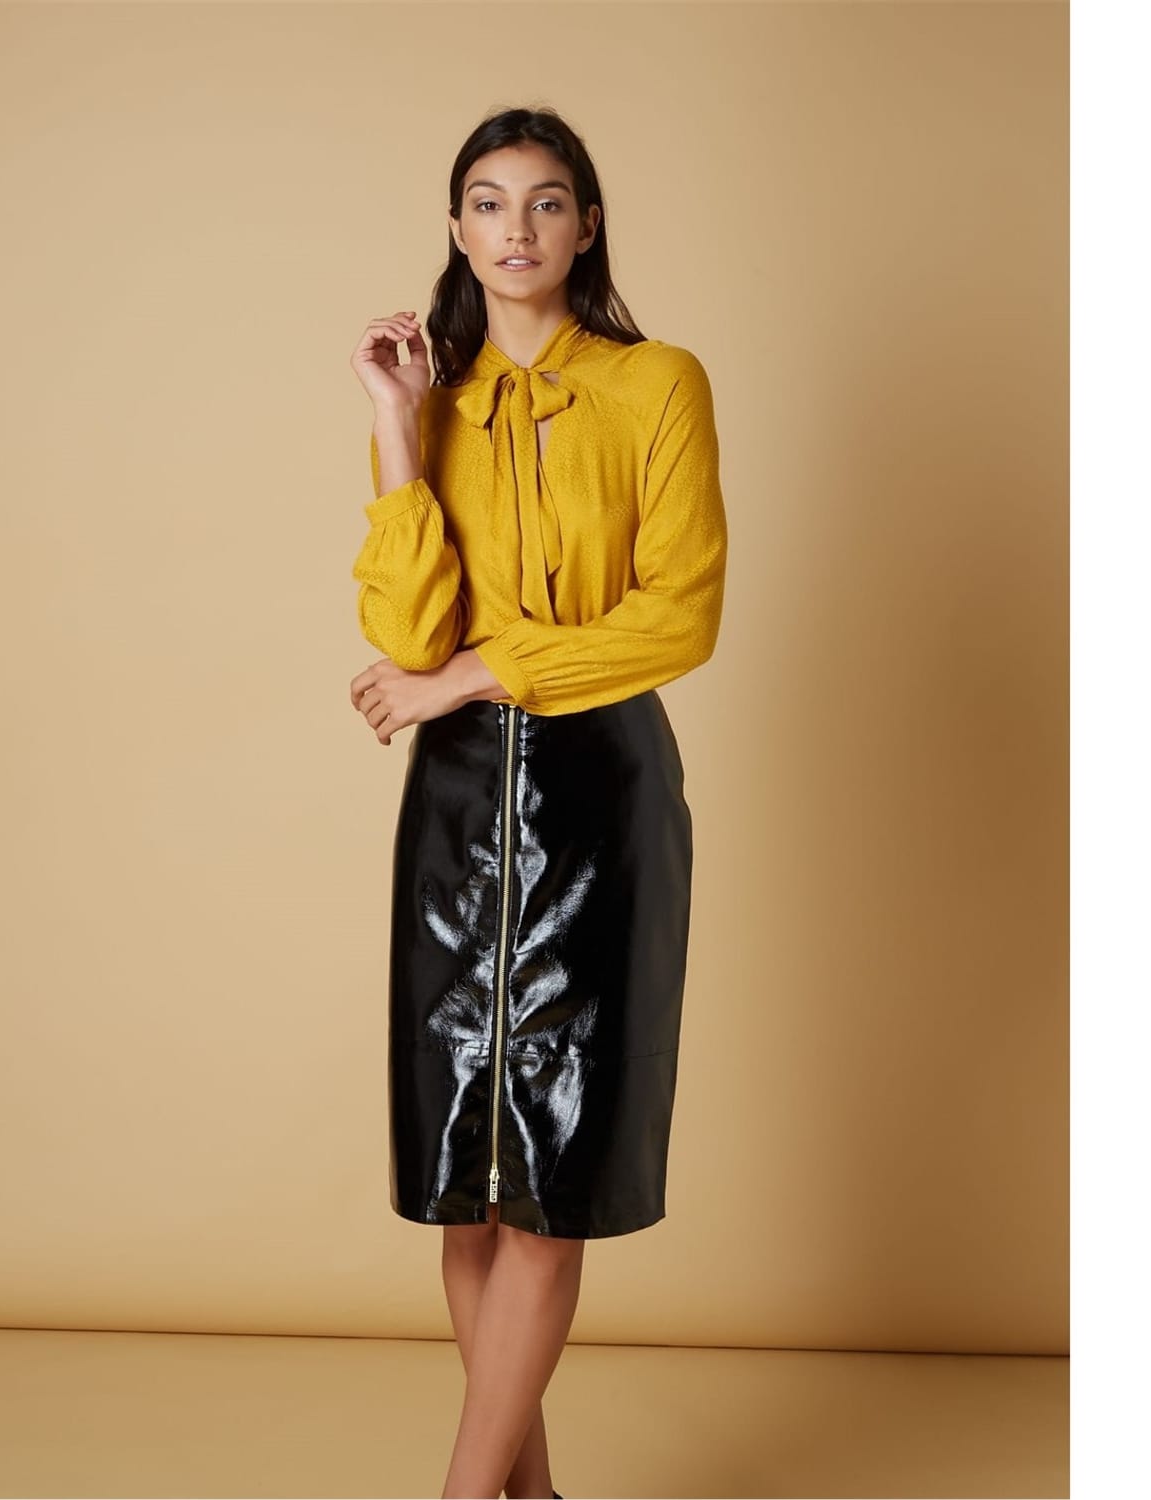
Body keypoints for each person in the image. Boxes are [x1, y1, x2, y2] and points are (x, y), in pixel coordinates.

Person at [347, 106, 728, 1500]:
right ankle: (530, 1495)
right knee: (469, 1180)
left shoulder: (658, 385)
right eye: (490, 203)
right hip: (457, 806)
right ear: (457, 231)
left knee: (550, 1179)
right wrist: (396, 428)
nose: (518, 228)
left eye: (547, 201)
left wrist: (475, 674)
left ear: (586, 226)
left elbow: (678, 616)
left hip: (596, 793)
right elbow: (407, 625)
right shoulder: (435, 406)